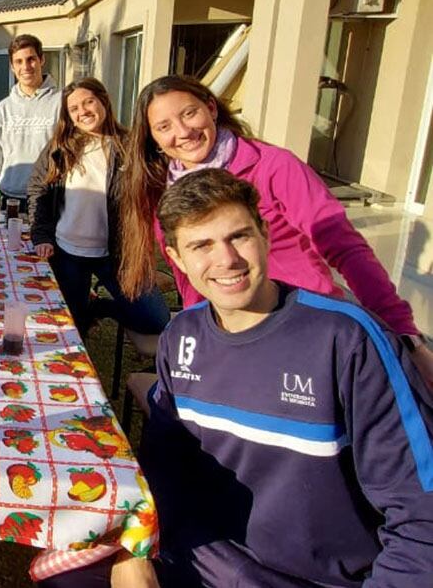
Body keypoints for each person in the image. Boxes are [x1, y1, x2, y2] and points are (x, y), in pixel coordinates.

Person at [140, 168, 433, 586]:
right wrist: (136, 551)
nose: (226, 260)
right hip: (204, 558)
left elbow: (421, 514)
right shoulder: (181, 336)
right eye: (202, 245)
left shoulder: (346, 340)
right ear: (176, 259)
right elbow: (163, 466)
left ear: (265, 235)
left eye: (238, 236)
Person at [118, 75, 433, 383]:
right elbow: (190, 281)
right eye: (164, 126)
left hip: (300, 329)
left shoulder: (274, 167)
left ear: (211, 109)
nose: (183, 131)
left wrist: (405, 335)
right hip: (230, 338)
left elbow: (347, 249)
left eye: (189, 113)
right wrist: (202, 339)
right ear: (153, 139)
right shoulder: (163, 193)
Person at [27, 79, 168, 339]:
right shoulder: (61, 147)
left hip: (115, 255)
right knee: (72, 325)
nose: (83, 111)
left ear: (103, 100)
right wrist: (42, 235)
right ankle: (84, 309)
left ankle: (101, 306)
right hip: (67, 252)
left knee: (155, 318)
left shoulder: (130, 145)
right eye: (74, 108)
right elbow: (39, 190)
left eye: (88, 102)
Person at [0, 34, 59, 213]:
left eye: (31, 59)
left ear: (42, 60)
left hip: (48, 196)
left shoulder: (62, 103)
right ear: (12, 66)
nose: (25, 67)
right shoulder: (3, 108)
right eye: (18, 61)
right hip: (9, 197)